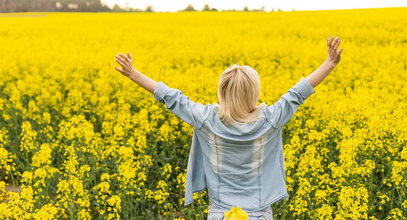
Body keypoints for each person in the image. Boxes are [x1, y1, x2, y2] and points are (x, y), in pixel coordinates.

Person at [114, 36, 343, 220]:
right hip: (260, 212)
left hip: (220, 213)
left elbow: (171, 97)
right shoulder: (271, 119)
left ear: (222, 92)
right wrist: (330, 62)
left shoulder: (206, 119)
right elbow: (299, 92)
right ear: (254, 92)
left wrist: (132, 73)